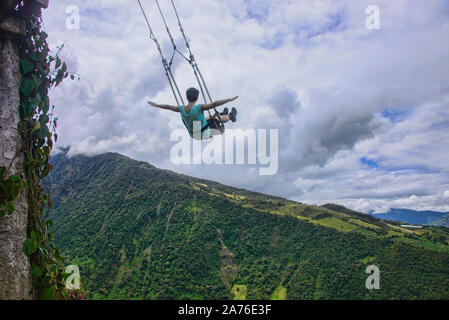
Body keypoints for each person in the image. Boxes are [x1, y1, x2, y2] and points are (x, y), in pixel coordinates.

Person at [148, 87, 238, 140]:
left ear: (187, 97)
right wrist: (229, 99)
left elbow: (168, 106)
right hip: (204, 133)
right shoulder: (199, 107)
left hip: (194, 133)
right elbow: (214, 104)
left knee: (204, 118)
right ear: (197, 97)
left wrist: (157, 105)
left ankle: (221, 114)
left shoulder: (181, 108)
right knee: (217, 121)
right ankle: (230, 117)